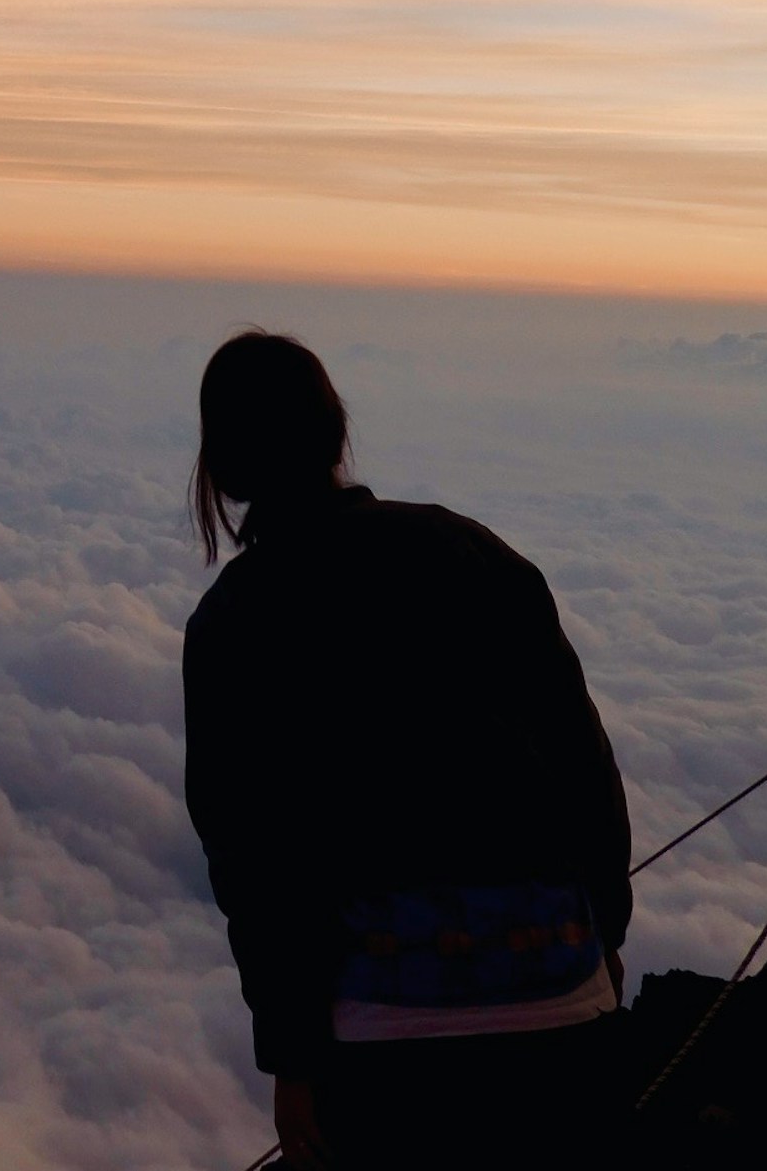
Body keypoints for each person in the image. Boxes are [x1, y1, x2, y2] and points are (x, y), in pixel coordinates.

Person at [182, 330, 632, 1169]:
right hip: (567, 996)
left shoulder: (234, 622)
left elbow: (256, 865)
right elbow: (585, 771)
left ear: (227, 469)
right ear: (335, 435)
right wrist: (603, 935)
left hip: (386, 1034)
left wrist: (292, 1057)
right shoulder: (476, 551)